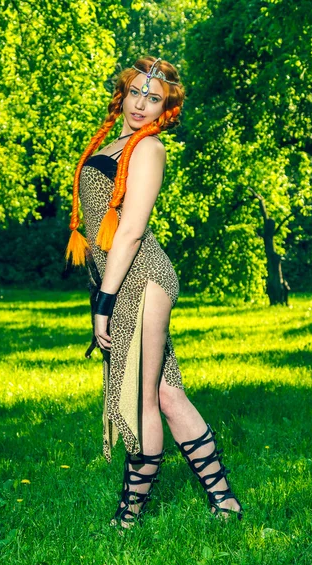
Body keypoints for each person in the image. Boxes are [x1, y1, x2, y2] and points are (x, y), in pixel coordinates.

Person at [66, 56, 243, 528]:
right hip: (120, 278)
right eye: (136, 93)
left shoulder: (148, 149)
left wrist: (103, 305)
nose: (141, 104)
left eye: (154, 98)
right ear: (123, 93)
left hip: (139, 280)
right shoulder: (118, 141)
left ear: (167, 107)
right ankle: (225, 503)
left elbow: (129, 232)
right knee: (166, 392)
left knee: (139, 398)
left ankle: (128, 518)